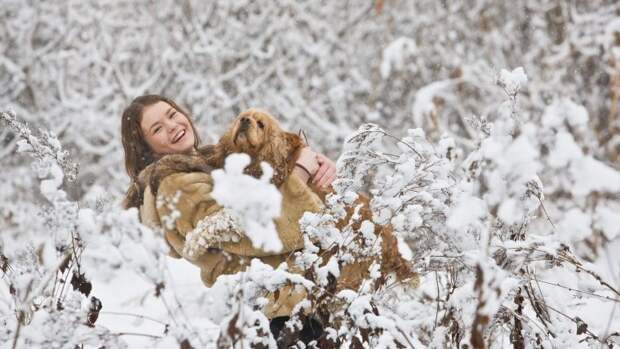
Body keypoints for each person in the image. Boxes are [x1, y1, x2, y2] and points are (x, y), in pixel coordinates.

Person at [120, 94, 335, 345]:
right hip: (271, 309)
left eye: (172, 114)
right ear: (147, 148)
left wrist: (313, 160)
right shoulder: (174, 186)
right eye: (157, 128)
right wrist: (301, 173)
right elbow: (247, 231)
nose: (172, 126)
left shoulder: (215, 162)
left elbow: (272, 169)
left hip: (295, 297)